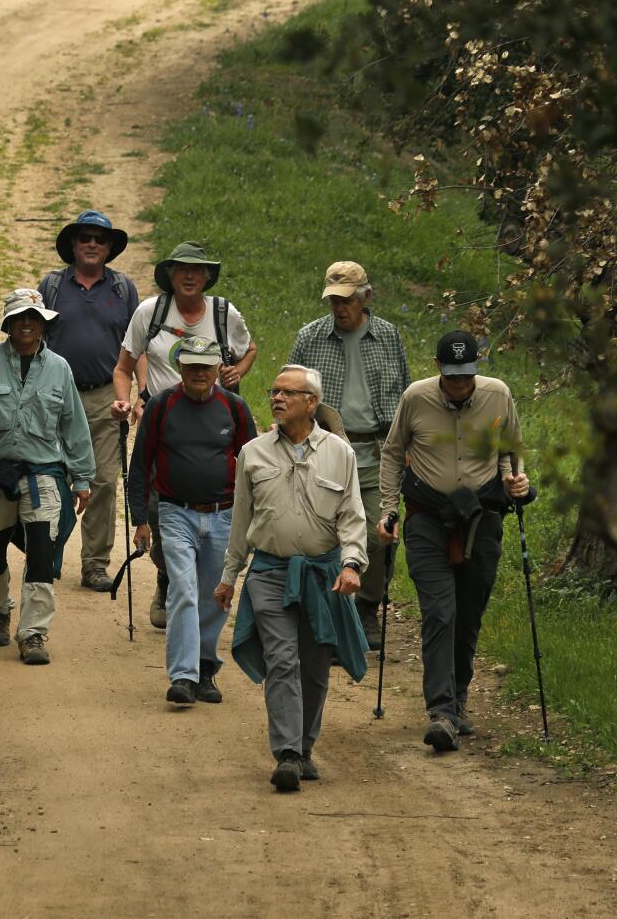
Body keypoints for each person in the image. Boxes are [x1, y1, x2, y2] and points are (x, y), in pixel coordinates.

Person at [215, 365, 370, 792]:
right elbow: (240, 520)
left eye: (288, 393)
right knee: (282, 660)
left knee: (316, 667)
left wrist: (353, 564)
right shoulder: (253, 452)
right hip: (270, 573)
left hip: (322, 575)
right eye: (274, 391)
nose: (277, 399)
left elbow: (353, 517)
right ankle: (286, 753)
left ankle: (304, 748)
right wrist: (230, 576)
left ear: (311, 403)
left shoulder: (341, 454)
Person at [377, 330, 531, 752]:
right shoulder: (416, 398)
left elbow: (510, 451)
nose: (461, 385)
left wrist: (515, 482)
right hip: (427, 518)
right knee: (439, 612)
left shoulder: (498, 395)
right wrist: (389, 509)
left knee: (468, 614)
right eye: (453, 376)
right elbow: (392, 454)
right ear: (438, 368)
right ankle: (441, 711)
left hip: (482, 518)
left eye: (467, 376)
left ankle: (459, 696)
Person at [0, 288, 96, 665]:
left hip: (42, 473)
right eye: (19, 317)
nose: (27, 323)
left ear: (43, 323)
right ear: (7, 324)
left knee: (43, 550)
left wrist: (82, 478)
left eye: (34, 317)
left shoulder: (59, 368)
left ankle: (33, 633)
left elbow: (74, 427)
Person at [111, 240, 256, 628]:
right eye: (181, 269)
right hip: (164, 424)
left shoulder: (225, 313)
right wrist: (126, 402)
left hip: (214, 422)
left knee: (211, 507)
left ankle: (189, 591)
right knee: (161, 514)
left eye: (197, 270)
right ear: (170, 276)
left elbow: (249, 349)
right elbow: (123, 367)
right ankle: (169, 577)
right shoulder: (151, 313)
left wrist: (237, 371)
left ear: (207, 276)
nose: (190, 276)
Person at [286, 260, 410, 649]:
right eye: (333, 301)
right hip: (324, 453)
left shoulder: (388, 337)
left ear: (365, 298)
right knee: (324, 536)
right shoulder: (310, 338)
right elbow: (287, 391)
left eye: (347, 301)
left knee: (378, 535)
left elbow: (405, 396)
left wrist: (408, 447)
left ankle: (367, 608)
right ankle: (327, 616)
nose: (340, 309)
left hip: (376, 453)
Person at [127, 336, 257, 706]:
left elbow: (256, 466)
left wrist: (255, 520)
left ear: (218, 368)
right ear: (180, 366)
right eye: (191, 365)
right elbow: (140, 467)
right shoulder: (161, 405)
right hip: (174, 512)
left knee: (215, 595)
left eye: (206, 365)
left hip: (225, 514)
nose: (199, 372)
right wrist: (140, 519)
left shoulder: (234, 408)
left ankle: (204, 668)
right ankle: (183, 676)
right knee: (183, 590)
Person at [37, 210, 141, 592]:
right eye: (85, 238)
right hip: (56, 395)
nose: (92, 244)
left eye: (100, 239)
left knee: (103, 481)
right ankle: (47, 554)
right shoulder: (51, 286)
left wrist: (137, 395)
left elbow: (137, 346)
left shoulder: (123, 289)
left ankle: (95, 564)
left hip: (104, 398)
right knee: (52, 477)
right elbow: (31, 338)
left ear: (109, 247)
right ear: (73, 245)